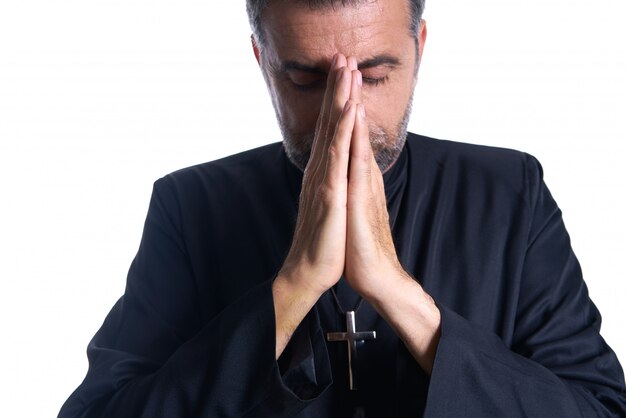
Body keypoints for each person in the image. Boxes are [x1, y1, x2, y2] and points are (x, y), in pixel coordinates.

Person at [59, 0, 626, 416]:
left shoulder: (511, 193)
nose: (345, 110)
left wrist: (402, 297)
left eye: (375, 75)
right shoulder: (190, 207)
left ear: (419, 48)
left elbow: (600, 409)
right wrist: (293, 290)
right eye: (307, 80)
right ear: (262, 58)